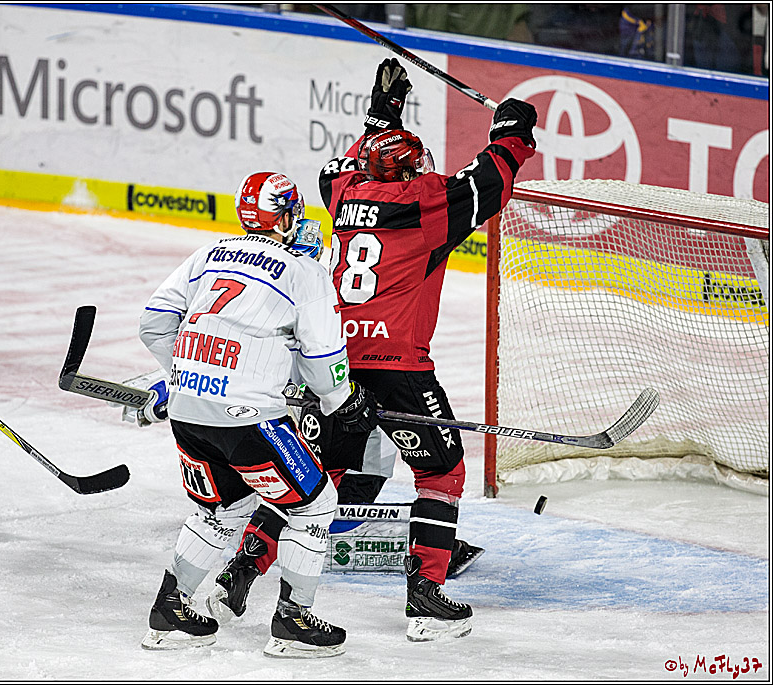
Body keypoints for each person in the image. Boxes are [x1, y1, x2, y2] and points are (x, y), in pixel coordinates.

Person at [212, 58, 538, 643]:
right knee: (442, 471)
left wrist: (380, 114)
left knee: (311, 479)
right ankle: (424, 596)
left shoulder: (342, 196)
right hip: (399, 371)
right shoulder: (429, 205)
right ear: (415, 167)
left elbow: (340, 168)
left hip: (333, 366)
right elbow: (490, 180)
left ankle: (242, 567)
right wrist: (512, 131)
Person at [134, 171, 379, 658]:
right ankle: (294, 621)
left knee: (220, 508)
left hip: (189, 412)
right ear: (287, 216)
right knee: (314, 506)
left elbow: (154, 323)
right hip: (248, 420)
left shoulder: (208, 254)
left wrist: (181, 372)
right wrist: (341, 402)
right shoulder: (303, 272)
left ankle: (171, 610)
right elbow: (324, 358)